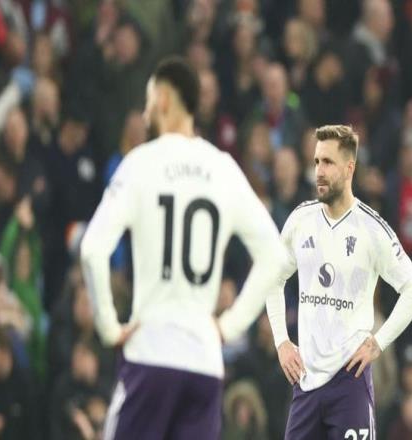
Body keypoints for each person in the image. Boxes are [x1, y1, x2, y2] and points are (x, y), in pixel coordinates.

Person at [80, 56, 286, 440]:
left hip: (151, 353)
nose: (145, 113)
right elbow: (274, 255)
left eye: (147, 102)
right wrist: (228, 326)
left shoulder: (140, 163)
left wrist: (109, 327)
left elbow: (92, 249)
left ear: (162, 100)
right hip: (204, 364)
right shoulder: (223, 168)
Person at [266, 125, 412, 439]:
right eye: (316, 162)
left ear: (349, 168)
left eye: (328, 162)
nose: (319, 171)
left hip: (349, 382)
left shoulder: (372, 229)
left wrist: (378, 343)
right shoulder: (301, 220)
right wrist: (281, 341)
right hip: (307, 381)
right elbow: (272, 279)